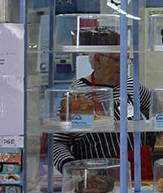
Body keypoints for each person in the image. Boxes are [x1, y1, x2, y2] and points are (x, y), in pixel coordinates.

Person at [53, 46, 154, 178]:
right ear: (98, 60)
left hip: (138, 169)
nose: (123, 66)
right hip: (95, 174)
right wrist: (71, 168)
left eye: (127, 61)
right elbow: (58, 143)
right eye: (117, 60)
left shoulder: (132, 86)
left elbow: (155, 111)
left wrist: (151, 140)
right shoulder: (75, 94)